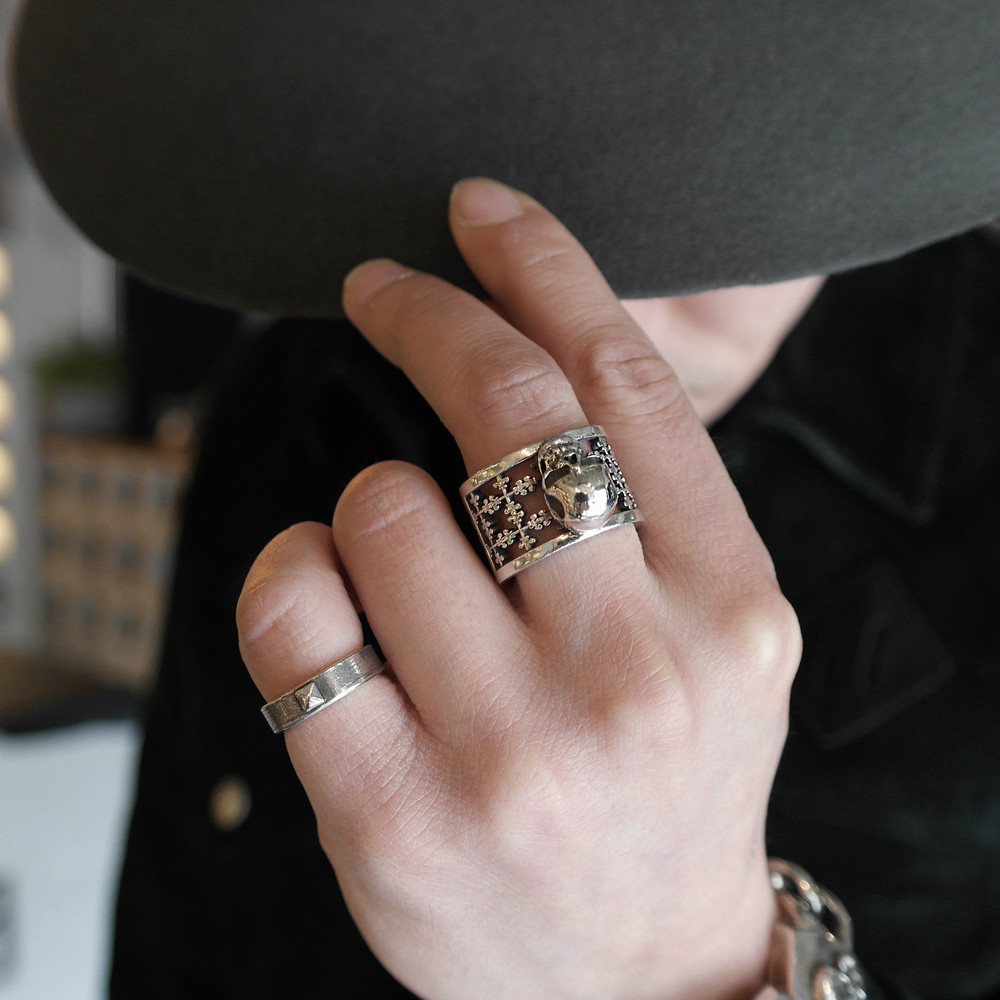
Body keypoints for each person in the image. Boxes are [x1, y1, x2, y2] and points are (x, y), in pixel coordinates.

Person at [9, 2, 1000, 997]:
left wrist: (690, 964)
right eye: (534, 153)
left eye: (714, 186)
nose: (610, 306)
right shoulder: (289, 400)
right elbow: (172, 941)